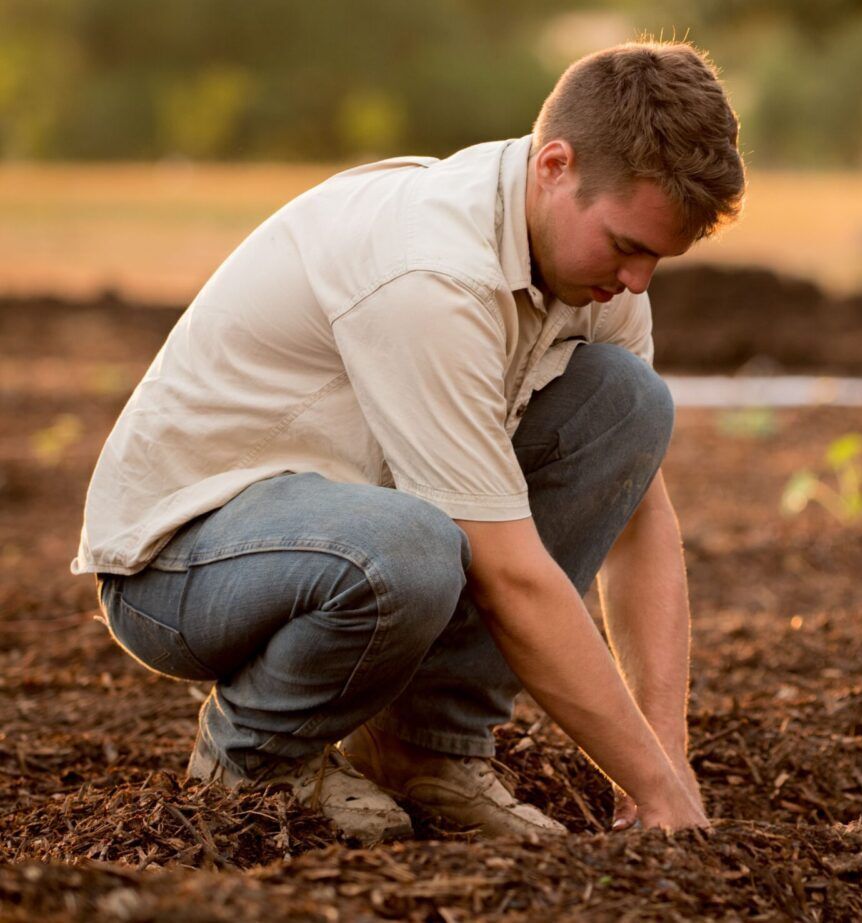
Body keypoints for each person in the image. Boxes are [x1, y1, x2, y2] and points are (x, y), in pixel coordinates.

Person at [71, 41, 744, 844]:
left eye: (657, 258)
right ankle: (256, 756)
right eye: (627, 245)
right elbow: (511, 578)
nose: (638, 281)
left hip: (344, 525)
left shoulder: (593, 276)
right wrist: (647, 783)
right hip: (179, 563)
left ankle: (423, 748)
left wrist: (667, 762)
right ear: (554, 166)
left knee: (628, 404)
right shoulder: (431, 270)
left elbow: (637, 515)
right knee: (413, 547)